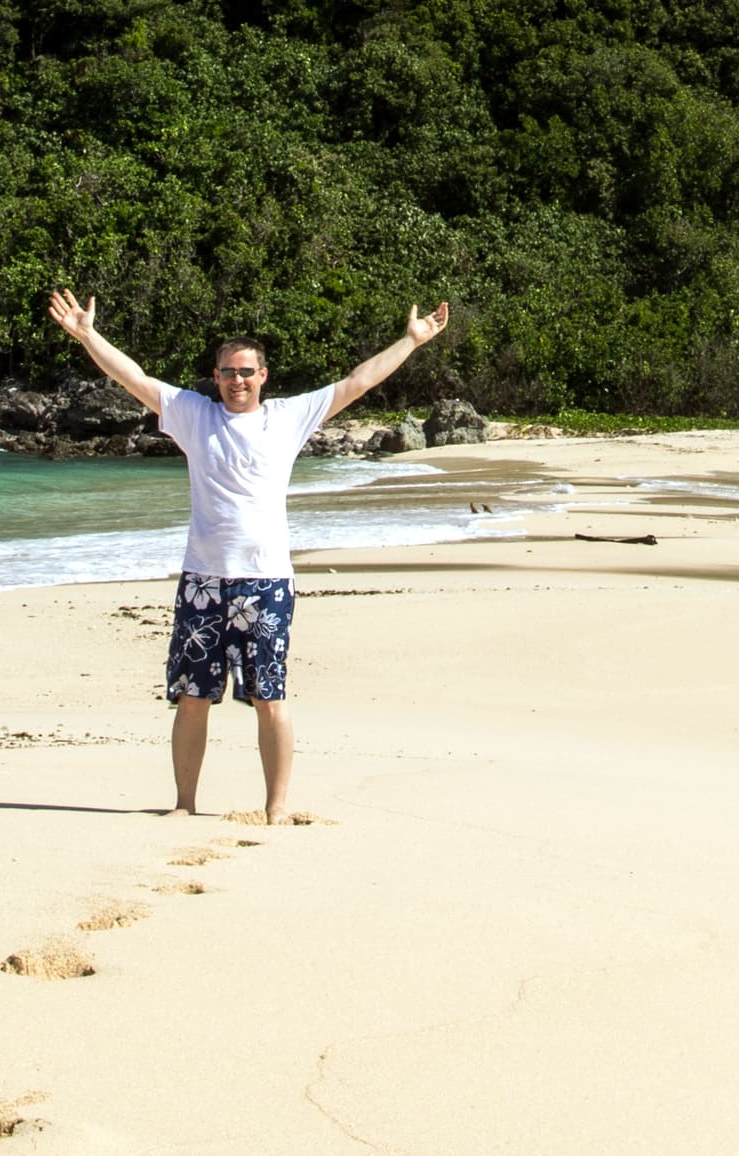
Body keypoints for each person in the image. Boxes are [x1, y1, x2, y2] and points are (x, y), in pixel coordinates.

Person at [42, 285, 450, 821]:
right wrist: (88, 336)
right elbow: (133, 377)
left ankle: (276, 807)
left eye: (246, 372)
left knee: (269, 697)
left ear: (263, 376)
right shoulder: (193, 415)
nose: (238, 380)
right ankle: (184, 805)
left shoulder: (287, 417)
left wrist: (411, 341)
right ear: (215, 378)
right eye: (228, 373)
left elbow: (358, 381)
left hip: (266, 581)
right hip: (204, 580)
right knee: (192, 698)